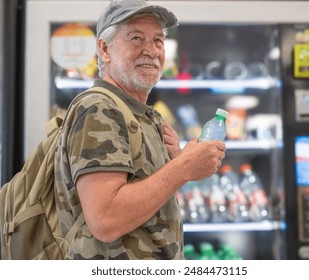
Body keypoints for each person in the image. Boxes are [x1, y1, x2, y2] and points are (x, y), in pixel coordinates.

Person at [54, 0, 226, 260]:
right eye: (136, 38)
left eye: (158, 40)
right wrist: (184, 168)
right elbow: (106, 219)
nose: (151, 51)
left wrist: (179, 162)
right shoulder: (98, 108)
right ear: (105, 49)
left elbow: (148, 202)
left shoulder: (143, 115)